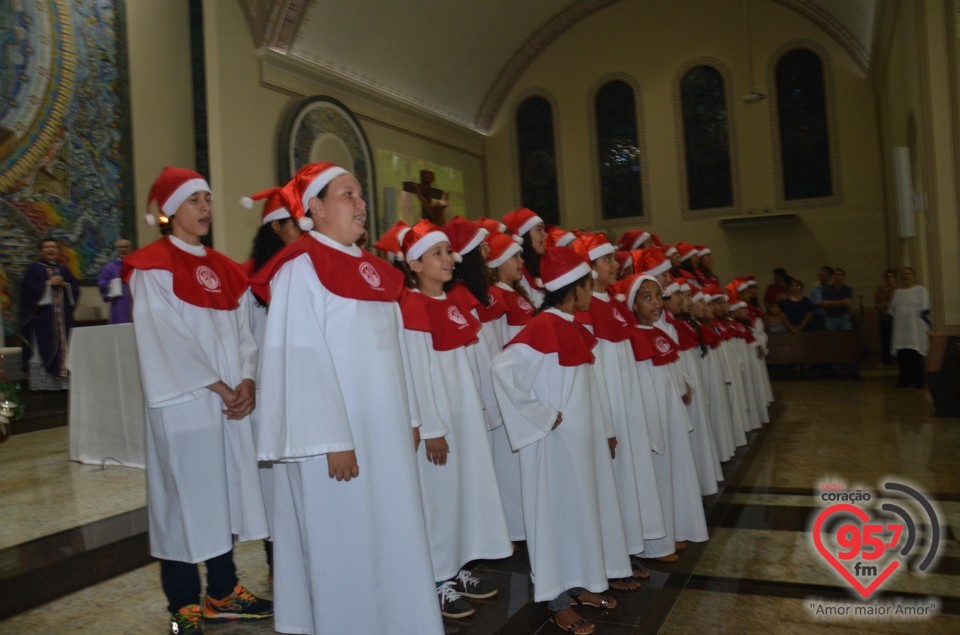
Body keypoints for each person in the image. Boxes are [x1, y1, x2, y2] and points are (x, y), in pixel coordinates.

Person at [251, 162, 442, 635]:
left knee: (391, 535)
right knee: (343, 546)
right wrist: (331, 438)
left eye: (359, 194)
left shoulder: (377, 271)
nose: (360, 203)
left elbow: (396, 354)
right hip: (337, 444)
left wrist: (412, 417)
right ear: (314, 207)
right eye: (346, 194)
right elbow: (297, 357)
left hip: (386, 435)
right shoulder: (301, 267)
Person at [122, 166, 272, 634]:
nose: (205, 207)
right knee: (182, 497)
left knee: (219, 494)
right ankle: (183, 601)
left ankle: (223, 591)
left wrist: (247, 380)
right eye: (194, 200)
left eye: (207, 198)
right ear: (169, 212)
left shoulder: (227, 270)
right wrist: (219, 384)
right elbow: (166, 338)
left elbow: (247, 334)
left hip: (228, 404)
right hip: (184, 402)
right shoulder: (153, 267)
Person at [493, 247, 633, 635]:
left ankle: (576, 586)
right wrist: (541, 415)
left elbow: (587, 387)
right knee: (553, 519)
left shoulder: (570, 323)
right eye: (588, 285)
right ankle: (555, 603)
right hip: (553, 445)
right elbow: (503, 369)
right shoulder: (543, 326)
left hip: (579, 444)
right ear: (575, 290)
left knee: (578, 513)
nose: (591, 292)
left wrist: (603, 430)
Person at [399, 220, 512, 619]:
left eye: (448, 251)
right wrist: (431, 428)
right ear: (414, 264)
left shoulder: (451, 303)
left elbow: (468, 363)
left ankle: (457, 567)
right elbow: (414, 374)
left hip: (463, 417)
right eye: (437, 253)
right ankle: (435, 578)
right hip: (439, 424)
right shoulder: (412, 307)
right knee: (439, 498)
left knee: (462, 493)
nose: (448, 259)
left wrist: (478, 409)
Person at [241, 185, 305, 580]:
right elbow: (245, 338)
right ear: (276, 226)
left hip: (305, 391)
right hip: (268, 394)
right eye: (296, 223)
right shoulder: (249, 280)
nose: (305, 229)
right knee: (272, 483)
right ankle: (278, 561)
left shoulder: (310, 267)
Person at [19, 238, 80, 390]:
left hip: (62, 320)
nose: (50, 250)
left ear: (58, 251)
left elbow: (76, 290)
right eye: (47, 247)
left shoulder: (64, 269)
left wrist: (65, 285)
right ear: (41, 250)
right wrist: (47, 285)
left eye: (53, 247)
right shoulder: (34, 268)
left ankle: (62, 385)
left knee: (64, 348)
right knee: (42, 349)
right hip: (42, 319)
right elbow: (28, 290)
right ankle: (43, 386)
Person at [889, 267, 930, 388]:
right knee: (903, 355)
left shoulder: (921, 290)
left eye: (908, 274)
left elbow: (925, 310)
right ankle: (904, 380)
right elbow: (892, 310)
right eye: (903, 274)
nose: (905, 276)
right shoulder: (898, 293)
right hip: (901, 329)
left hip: (915, 329)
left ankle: (918, 380)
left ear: (913, 276)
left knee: (915, 355)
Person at [502, 207, 547, 308]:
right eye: (539, 230)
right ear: (525, 237)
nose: (545, 235)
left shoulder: (539, 266)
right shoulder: (516, 274)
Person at [97, 238, 133, 324]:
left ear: (130, 249)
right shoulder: (109, 267)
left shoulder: (135, 266)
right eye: (120, 247)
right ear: (116, 249)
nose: (122, 249)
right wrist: (116, 283)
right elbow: (102, 286)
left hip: (135, 302)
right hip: (119, 304)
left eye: (125, 247)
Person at [874, 268, 898, 364]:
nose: (889, 279)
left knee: (894, 338)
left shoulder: (898, 290)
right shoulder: (881, 289)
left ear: (894, 278)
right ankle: (886, 358)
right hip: (883, 317)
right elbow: (876, 301)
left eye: (891, 277)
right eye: (887, 277)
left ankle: (895, 358)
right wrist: (879, 307)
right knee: (885, 338)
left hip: (895, 318)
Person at [808, 265, 832, 331]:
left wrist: (829, 304)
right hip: (817, 317)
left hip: (831, 317)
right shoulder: (815, 289)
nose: (822, 278)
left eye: (825, 276)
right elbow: (810, 303)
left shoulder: (833, 288)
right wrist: (819, 305)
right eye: (821, 275)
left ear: (829, 277)